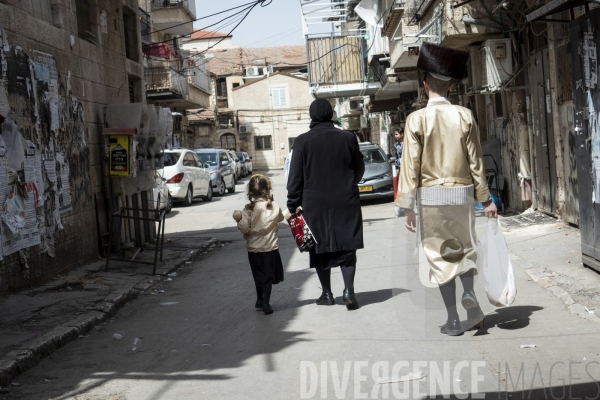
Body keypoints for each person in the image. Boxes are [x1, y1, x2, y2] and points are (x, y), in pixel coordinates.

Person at [396, 42, 498, 336]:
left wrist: (407, 206)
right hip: (462, 193)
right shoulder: (465, 116)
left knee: (439, 255)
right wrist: (486, 200)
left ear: (425, 85)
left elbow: (409, 167)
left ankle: (454, 319)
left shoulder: (415, 120)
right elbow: (476, 163)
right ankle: (470, 296)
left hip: (429, 198)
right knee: (465, 248)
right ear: (451, 87)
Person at [287, 98, 365, 310]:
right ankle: (349, 290)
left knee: (319, 248)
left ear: (312, 115)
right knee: (347, 246)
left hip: (315, 203)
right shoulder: (348, 137)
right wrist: (349, 184)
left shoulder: (302, 141)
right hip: (345, 200)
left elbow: (295, 177)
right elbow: (359, 168)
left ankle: (327, 294)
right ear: (331, 114)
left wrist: (292, 203)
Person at [233, 175, 285, 315]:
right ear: (268, 190)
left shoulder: (247, 210)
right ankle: (266, 304)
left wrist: (237, 219)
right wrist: (272, 202)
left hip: (253, 250)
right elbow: (280, 218)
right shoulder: (273, 206)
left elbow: (244, 228)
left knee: (259, 275)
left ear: (250, 192)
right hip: (270, 248)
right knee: (268, 276)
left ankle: (259, 300)